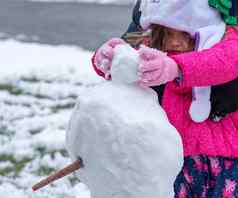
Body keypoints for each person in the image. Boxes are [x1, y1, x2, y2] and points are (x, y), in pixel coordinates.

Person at [91, 0, 238, 197]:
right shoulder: (150, 35)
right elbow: (127, 47)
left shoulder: (226, 37)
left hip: (226, 162)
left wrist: (175, 67)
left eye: (187, 33)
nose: (175, 42)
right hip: (176, 159)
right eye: (167, 34)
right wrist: (109, 57)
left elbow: (226, 59)